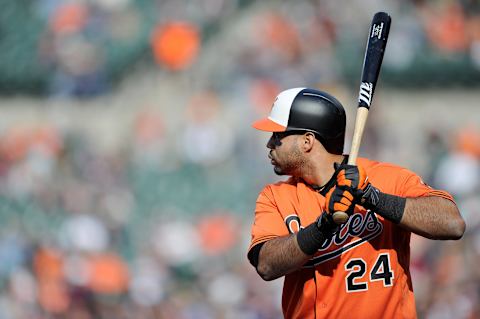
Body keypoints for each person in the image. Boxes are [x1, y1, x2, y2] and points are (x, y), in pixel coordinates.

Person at [247, 87, 465, 319]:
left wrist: (373, 197)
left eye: (278, 137)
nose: (270, 144)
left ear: (307, 141)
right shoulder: (275, 196)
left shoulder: (387, 178)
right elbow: (267, 266)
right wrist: (324, 225)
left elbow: (453, 224)